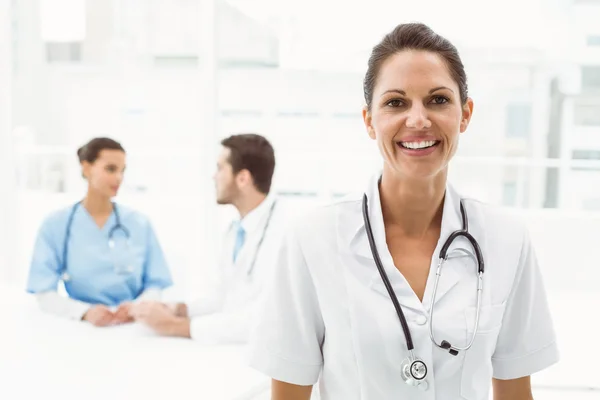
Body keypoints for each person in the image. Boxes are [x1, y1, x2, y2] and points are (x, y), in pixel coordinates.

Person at [247, 23, 559, 400]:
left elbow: (514, 392)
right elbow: (289, 392)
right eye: (396, 102)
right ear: (369, 120)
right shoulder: (312, 240)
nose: (418, 120)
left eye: (438, 100)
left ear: (465, 114)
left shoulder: (506, 239)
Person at [130, 133, 285, 344]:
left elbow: (263, 319)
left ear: (243, 179)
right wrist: (180, 310)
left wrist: (173, 326)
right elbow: (224, 297)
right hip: (232, 349)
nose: (214, 176)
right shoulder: (236, 231)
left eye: (220, 168)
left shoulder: (282, 234)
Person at [26, 137, 173, 327]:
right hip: (79, 325)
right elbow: (44, 293)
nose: (118, 178)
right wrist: (84, 312)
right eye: (110, 169)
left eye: (122, 171)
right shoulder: (56, 224)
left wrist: (137, 307)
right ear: (86, 168)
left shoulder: (139, 223)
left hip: (133, 324)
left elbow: (155, 283)